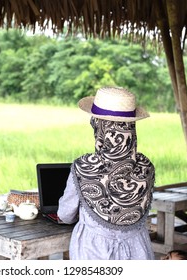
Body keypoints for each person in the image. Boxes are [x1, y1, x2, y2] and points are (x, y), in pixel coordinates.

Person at [57, 86, 155, 260]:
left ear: (99, 126)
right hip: (138, 250)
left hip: (93, 252)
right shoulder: (146, 166)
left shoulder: (84, 167)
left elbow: (65, 215)